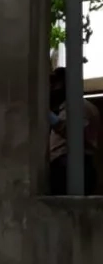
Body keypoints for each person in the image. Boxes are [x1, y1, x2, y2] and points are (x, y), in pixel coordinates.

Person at [49, 67, 101, 195]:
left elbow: (74, 133)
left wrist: (50, 117)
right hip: (71, 165)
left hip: (70, 166)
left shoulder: (78, 106)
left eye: (56, 84)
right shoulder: (75, 106)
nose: (53, 88)